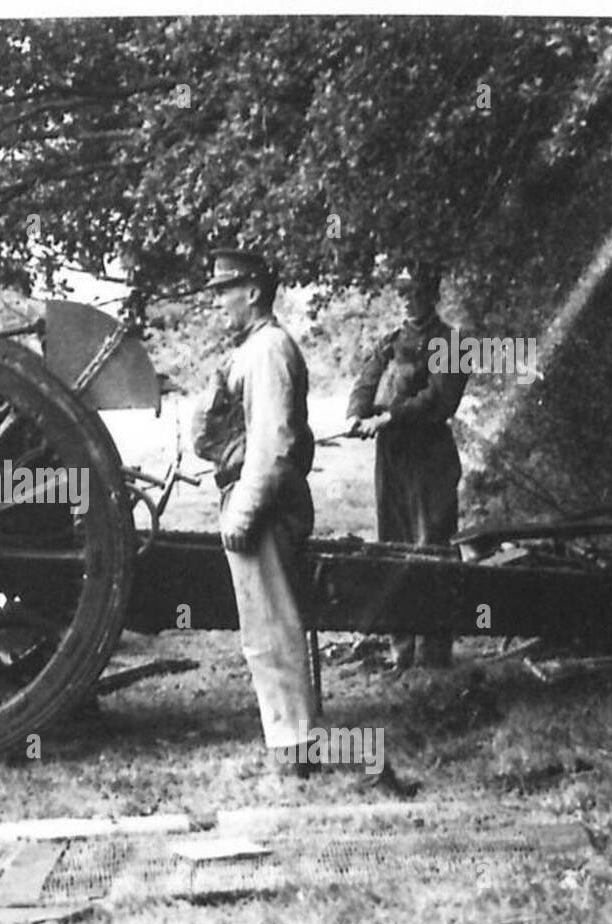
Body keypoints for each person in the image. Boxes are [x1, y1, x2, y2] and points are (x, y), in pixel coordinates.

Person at [191, 249, 317, 777]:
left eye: (225, 290)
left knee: (274, 629)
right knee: (263, 630)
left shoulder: (267, 350)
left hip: (265, 505)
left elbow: (272, 442)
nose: (218, 301)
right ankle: (290, 743)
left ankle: (295, 749)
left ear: (254, 292)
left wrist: (242, 512)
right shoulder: (251, 349)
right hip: (254, 498)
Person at [346, 261, 469, 670]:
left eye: (414, 291)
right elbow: (367, 379)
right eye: (401, 292)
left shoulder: (451, 343)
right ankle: (401, 653)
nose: (406, 299)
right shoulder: (391, 340)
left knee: (430, 548)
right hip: (392, 457)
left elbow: (439, 399)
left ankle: (435, 655)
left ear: (430, 294)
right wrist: (356, 414)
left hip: (429, 458)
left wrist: (390, 416)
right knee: (392, 548)